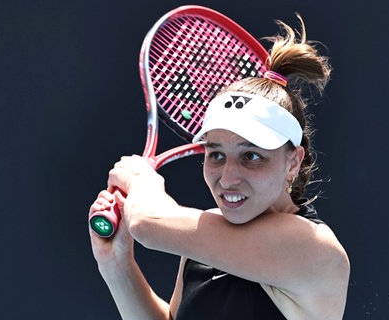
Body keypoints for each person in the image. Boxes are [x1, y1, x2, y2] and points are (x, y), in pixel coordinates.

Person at [88, 14, 350, 320]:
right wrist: (117, 265)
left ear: (293, 161)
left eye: (251, 156)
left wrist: (140, 180)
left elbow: (146, 223)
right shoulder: (204, 235)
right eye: (216, 155)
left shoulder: (314, 249)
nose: (227, 178)